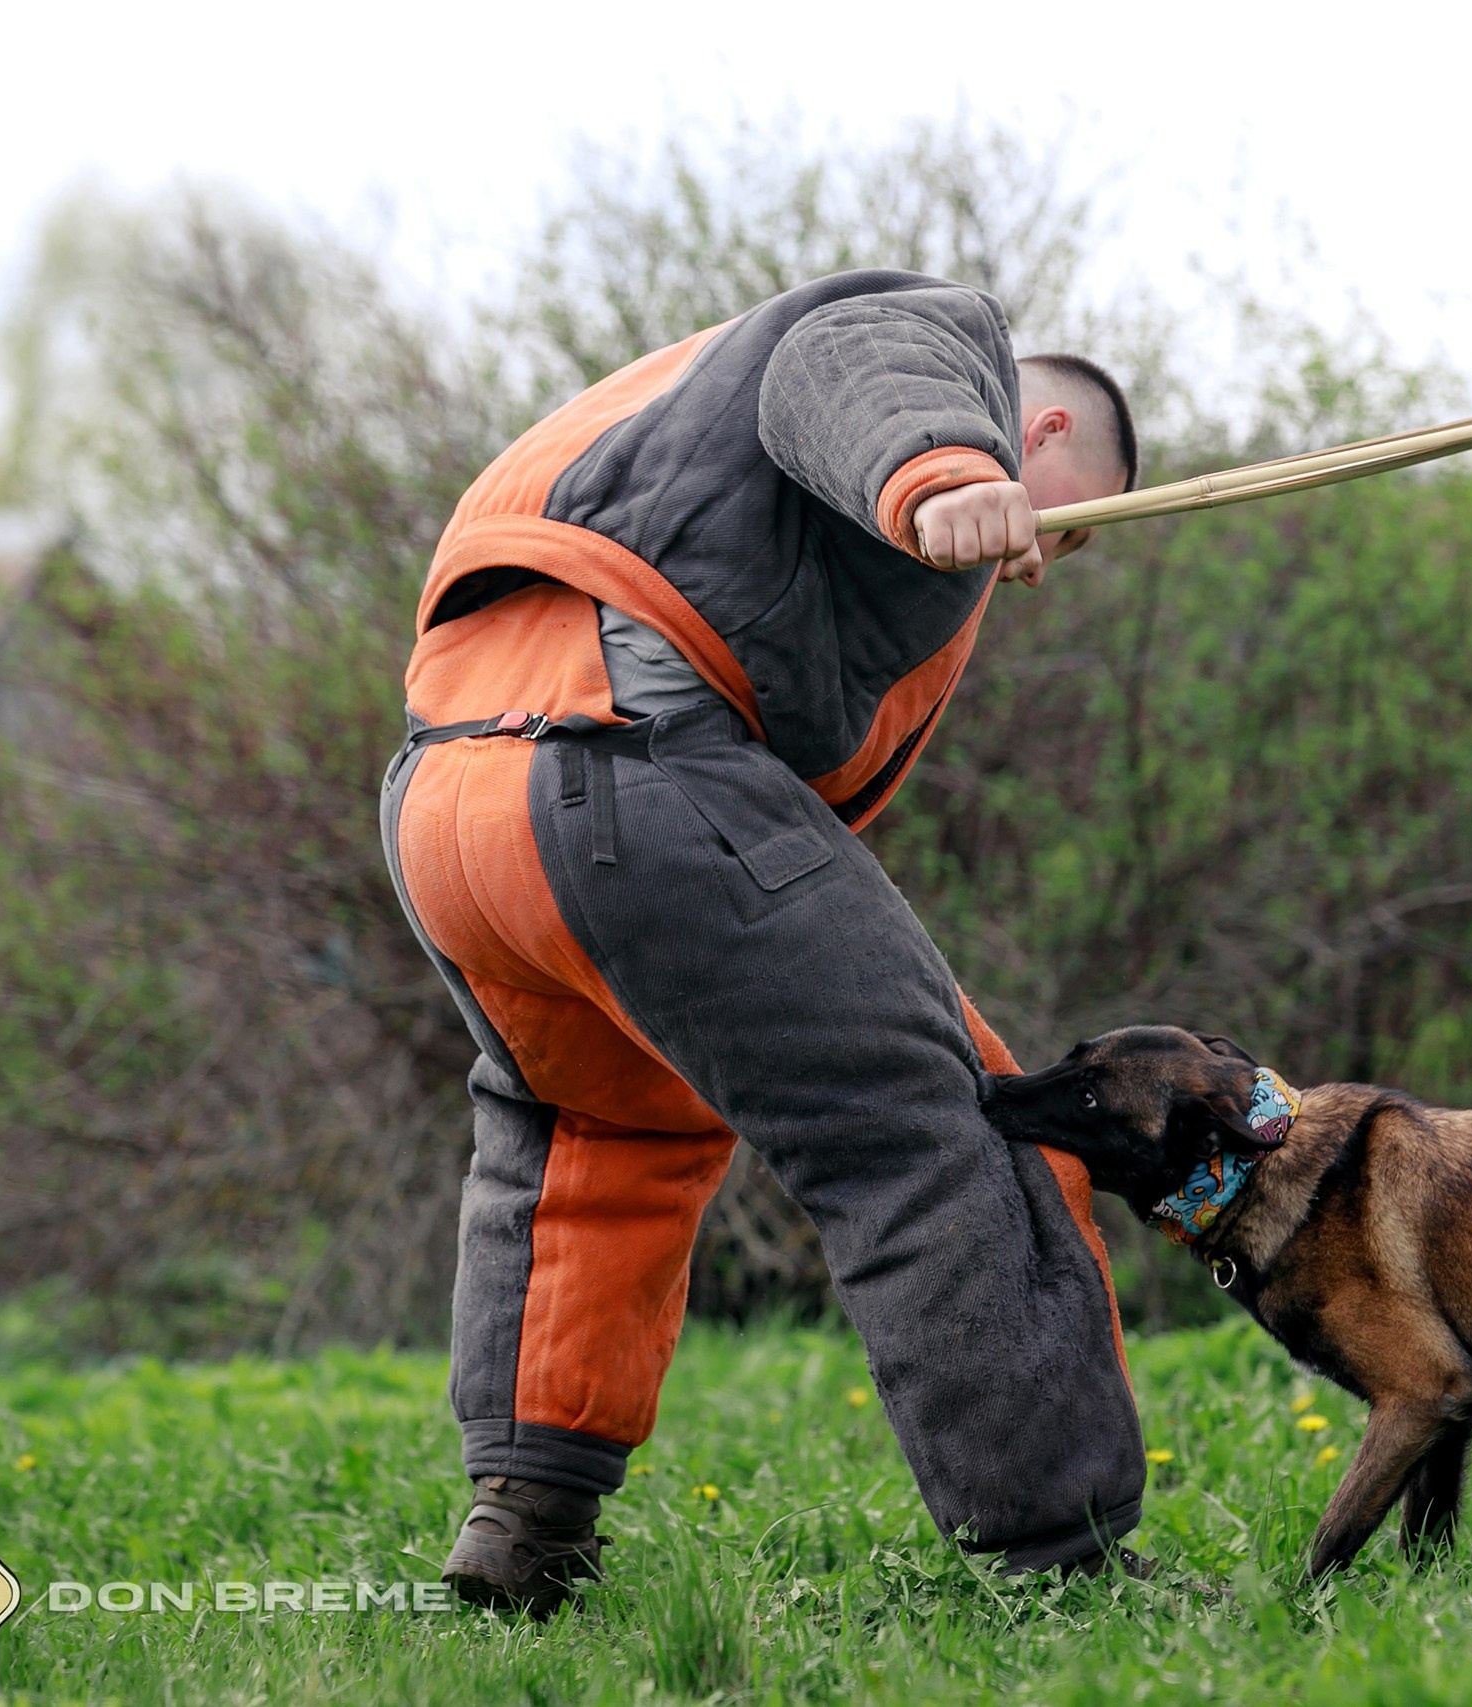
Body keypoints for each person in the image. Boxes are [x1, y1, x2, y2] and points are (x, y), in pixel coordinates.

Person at [378, 269, 1147, 1614]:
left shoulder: (662, 386)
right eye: (1070, 533)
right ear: (1051, 443)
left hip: (453, 801)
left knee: (596, 1136)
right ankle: (1063, 1561)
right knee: (944, 1120)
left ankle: (525, 1531)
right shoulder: (946, 350)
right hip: (629, 774)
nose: (1042, 564)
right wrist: (942, 467)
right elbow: (855, 356)